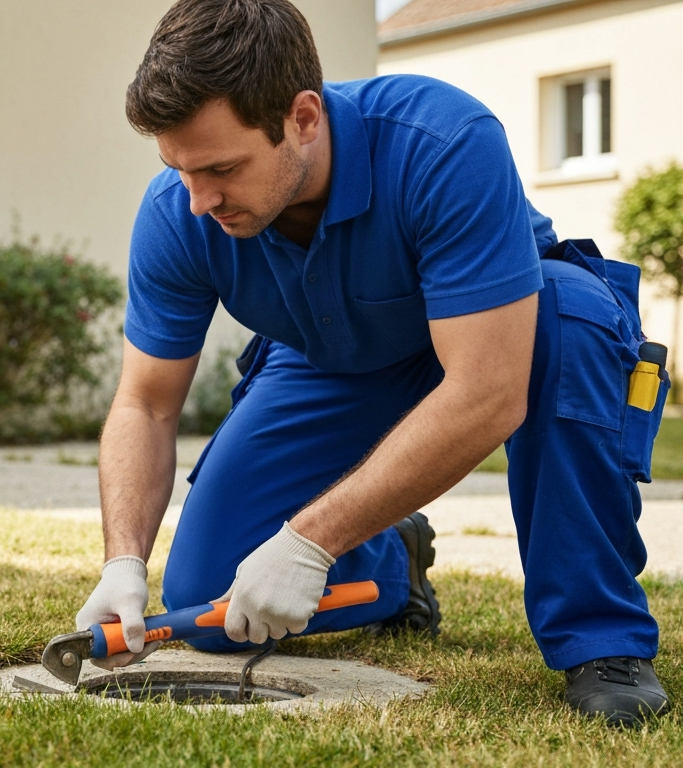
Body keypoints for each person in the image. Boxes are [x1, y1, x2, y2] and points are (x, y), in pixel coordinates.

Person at [75, 0, 671, 727]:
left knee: (570, 319)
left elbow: (488, 392)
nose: (199, 201)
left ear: (302, 118)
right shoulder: (180, 211)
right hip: (334, 357)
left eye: (223, 168)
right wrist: (123, 561)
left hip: (505, 332)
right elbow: (145, 404)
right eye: (180, 169)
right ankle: (393, 564)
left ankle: (603, 641)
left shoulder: (445, 142)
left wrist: (308, 539)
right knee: (208, 602)